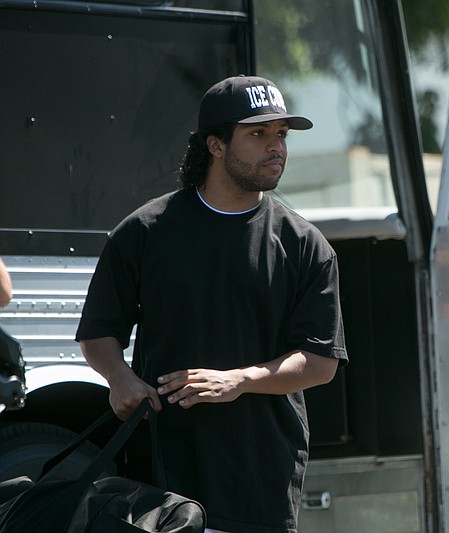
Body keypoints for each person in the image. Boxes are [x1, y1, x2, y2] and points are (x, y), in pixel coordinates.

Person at [76, 75, 348, 533]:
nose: (275, 147)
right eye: (258, 133)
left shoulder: (305, 245)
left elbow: (320, 362)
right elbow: (99, 332)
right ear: (215, 145)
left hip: (260, 481)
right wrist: (119, 378)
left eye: (281, 134)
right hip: (162, 479)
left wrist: (239, 380)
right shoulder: (144, 232)